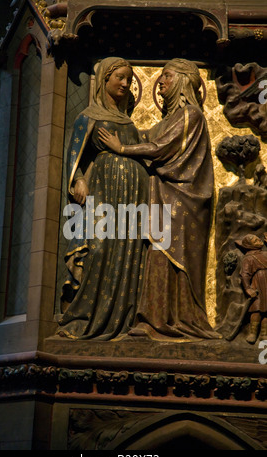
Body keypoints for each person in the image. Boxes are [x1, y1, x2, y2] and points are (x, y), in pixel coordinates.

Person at [98, 58, 221, 342]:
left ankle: (178, 320)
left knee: (171, 258)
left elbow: (161, 148)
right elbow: (149, 137)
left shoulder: (191, 115)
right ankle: (152, 318)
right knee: (156, 255)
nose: (161, 81)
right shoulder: (169, 120)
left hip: (183, 202)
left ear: (180, 81)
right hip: (163, 201)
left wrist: (123, 147)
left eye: (166, 76)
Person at [57, 57, 149, 340]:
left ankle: (123, 320)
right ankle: (85, 317)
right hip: (104, 187)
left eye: (129, 80)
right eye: (120, 77)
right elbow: (75, 157)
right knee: (97, 250)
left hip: (134, 194)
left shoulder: (129, 121)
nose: (125, 83)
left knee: (130, 254)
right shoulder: (88, 117)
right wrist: (79, 180)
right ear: (105, 79)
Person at [236, 234, 267, 344]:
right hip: (257, 284)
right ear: (249, 245)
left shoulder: (265, 254)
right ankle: (253, 332)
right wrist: (248, 289)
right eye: (254, 240)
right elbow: (244, 274)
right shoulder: (249, 258)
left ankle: (264, 333)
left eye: (257, 238)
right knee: (256, 309)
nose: (258, 239)